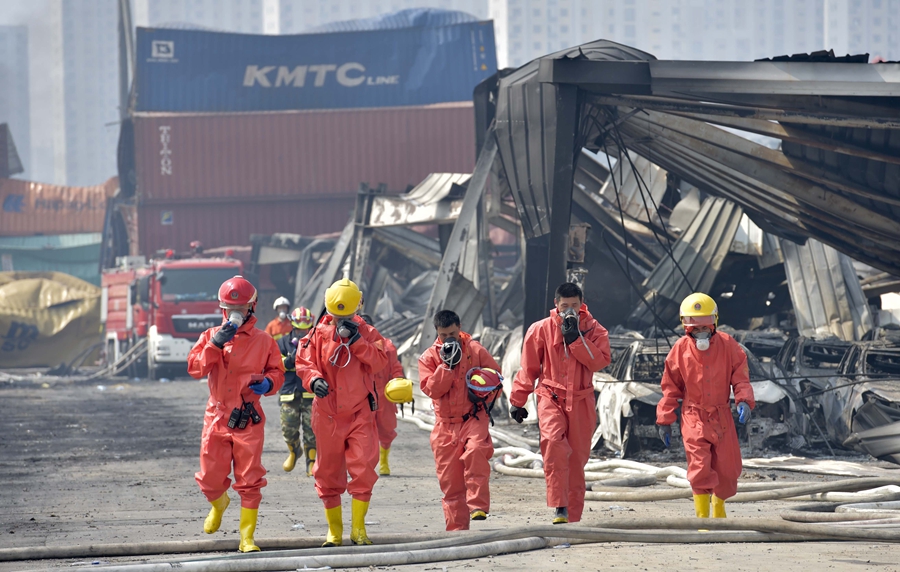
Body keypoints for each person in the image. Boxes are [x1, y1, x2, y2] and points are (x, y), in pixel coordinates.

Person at [187, 276, 284, 552]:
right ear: (223, 310)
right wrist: (216, 343)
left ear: (251, 308)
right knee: (209, 478)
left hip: (248, 418)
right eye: (231, 310)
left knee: (250, 479)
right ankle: (218, 504)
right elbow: (196, 369)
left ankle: (246, 538)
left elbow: (277, 373)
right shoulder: (210, 336)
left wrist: (269, 384)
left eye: (240, 310)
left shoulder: (264, 341)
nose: (235, 315)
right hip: (217, 416)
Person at [296, 278, 388, 547]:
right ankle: (334, 532)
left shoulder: (369, 333)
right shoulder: (315, 334)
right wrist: (314, 380)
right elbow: (303, 362)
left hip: (359, 412)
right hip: (327, 414)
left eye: (347, 316)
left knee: (363, 468)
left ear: (357, 309)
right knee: (327, 472)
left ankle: (358, 530)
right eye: (339, 317)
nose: (343, 321)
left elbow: (380, 361)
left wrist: (357, 341)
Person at [510, 282, 611, 525]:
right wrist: (517, 400)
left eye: (574, 306)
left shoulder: (595, 330)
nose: (570, 311)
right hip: (550, 396)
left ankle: (572, 520)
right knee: (554, 445)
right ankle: (560, 506)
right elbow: (529, 368)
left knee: (576, 459)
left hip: (581, 399)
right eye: (565, 306)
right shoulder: (540, 329)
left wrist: (576, 339)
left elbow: (600, 363)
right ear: (556, 305)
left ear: (582, 305)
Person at [656, 292, 755, 520]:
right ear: (686, 327)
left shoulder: (728, 345)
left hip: (721, 416)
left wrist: (744, 401)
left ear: (714, 324)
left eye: (705, 328)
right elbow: (670, 388)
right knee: (699, 468)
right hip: (693, 416)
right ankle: (702, 520)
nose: (701, 334)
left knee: (728, 470)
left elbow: (741, 377)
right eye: (695, 329)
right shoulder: (679, 350)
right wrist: (665, 420)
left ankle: (719, 510)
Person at [418, 310, 502, 531]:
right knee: (450, 483)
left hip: (473, 417)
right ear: (437, 333)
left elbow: (497, 380)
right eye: (444, 335)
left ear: (460, 327)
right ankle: (457, 533)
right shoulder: (428, 357)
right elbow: (432, 390)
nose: (449, 339)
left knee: (475, 451)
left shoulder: (475, 350)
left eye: (453, 334)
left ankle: (478, 506)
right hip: (445, 425)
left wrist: (483, 393)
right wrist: (446, 366)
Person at [360, 314, 404, 476]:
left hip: (384, 396)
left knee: (386, 429)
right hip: (362, 396)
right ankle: (363, 464)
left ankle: (384, 461)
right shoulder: (351, 346)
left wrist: (399, 381)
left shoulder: (387, 347)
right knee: (361, 431)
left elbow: (395, 367)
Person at [277, 307, 316, 475]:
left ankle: (311, 462)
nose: (302, 331)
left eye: (305, 328)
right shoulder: (282, 343)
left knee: (311, 429)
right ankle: (294, 451)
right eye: (299, 328)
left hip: (310, 393)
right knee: (288, 428)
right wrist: (291, 359)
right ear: (293, 325)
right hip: (289, 392)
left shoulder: (316, 342)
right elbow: (278, 364)